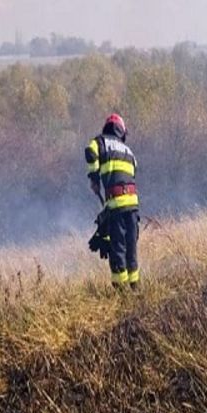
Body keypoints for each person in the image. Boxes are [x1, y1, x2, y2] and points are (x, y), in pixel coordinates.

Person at [85, 113, 139, 288]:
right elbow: (133, 171)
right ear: (121, 131)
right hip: (132, 206)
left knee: (118, 249)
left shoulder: (100, 142)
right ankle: (135, 288)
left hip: (115, 206)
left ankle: (121, 292)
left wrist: (94, 179)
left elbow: (90, 152)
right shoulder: (128, 151)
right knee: (131, 248)